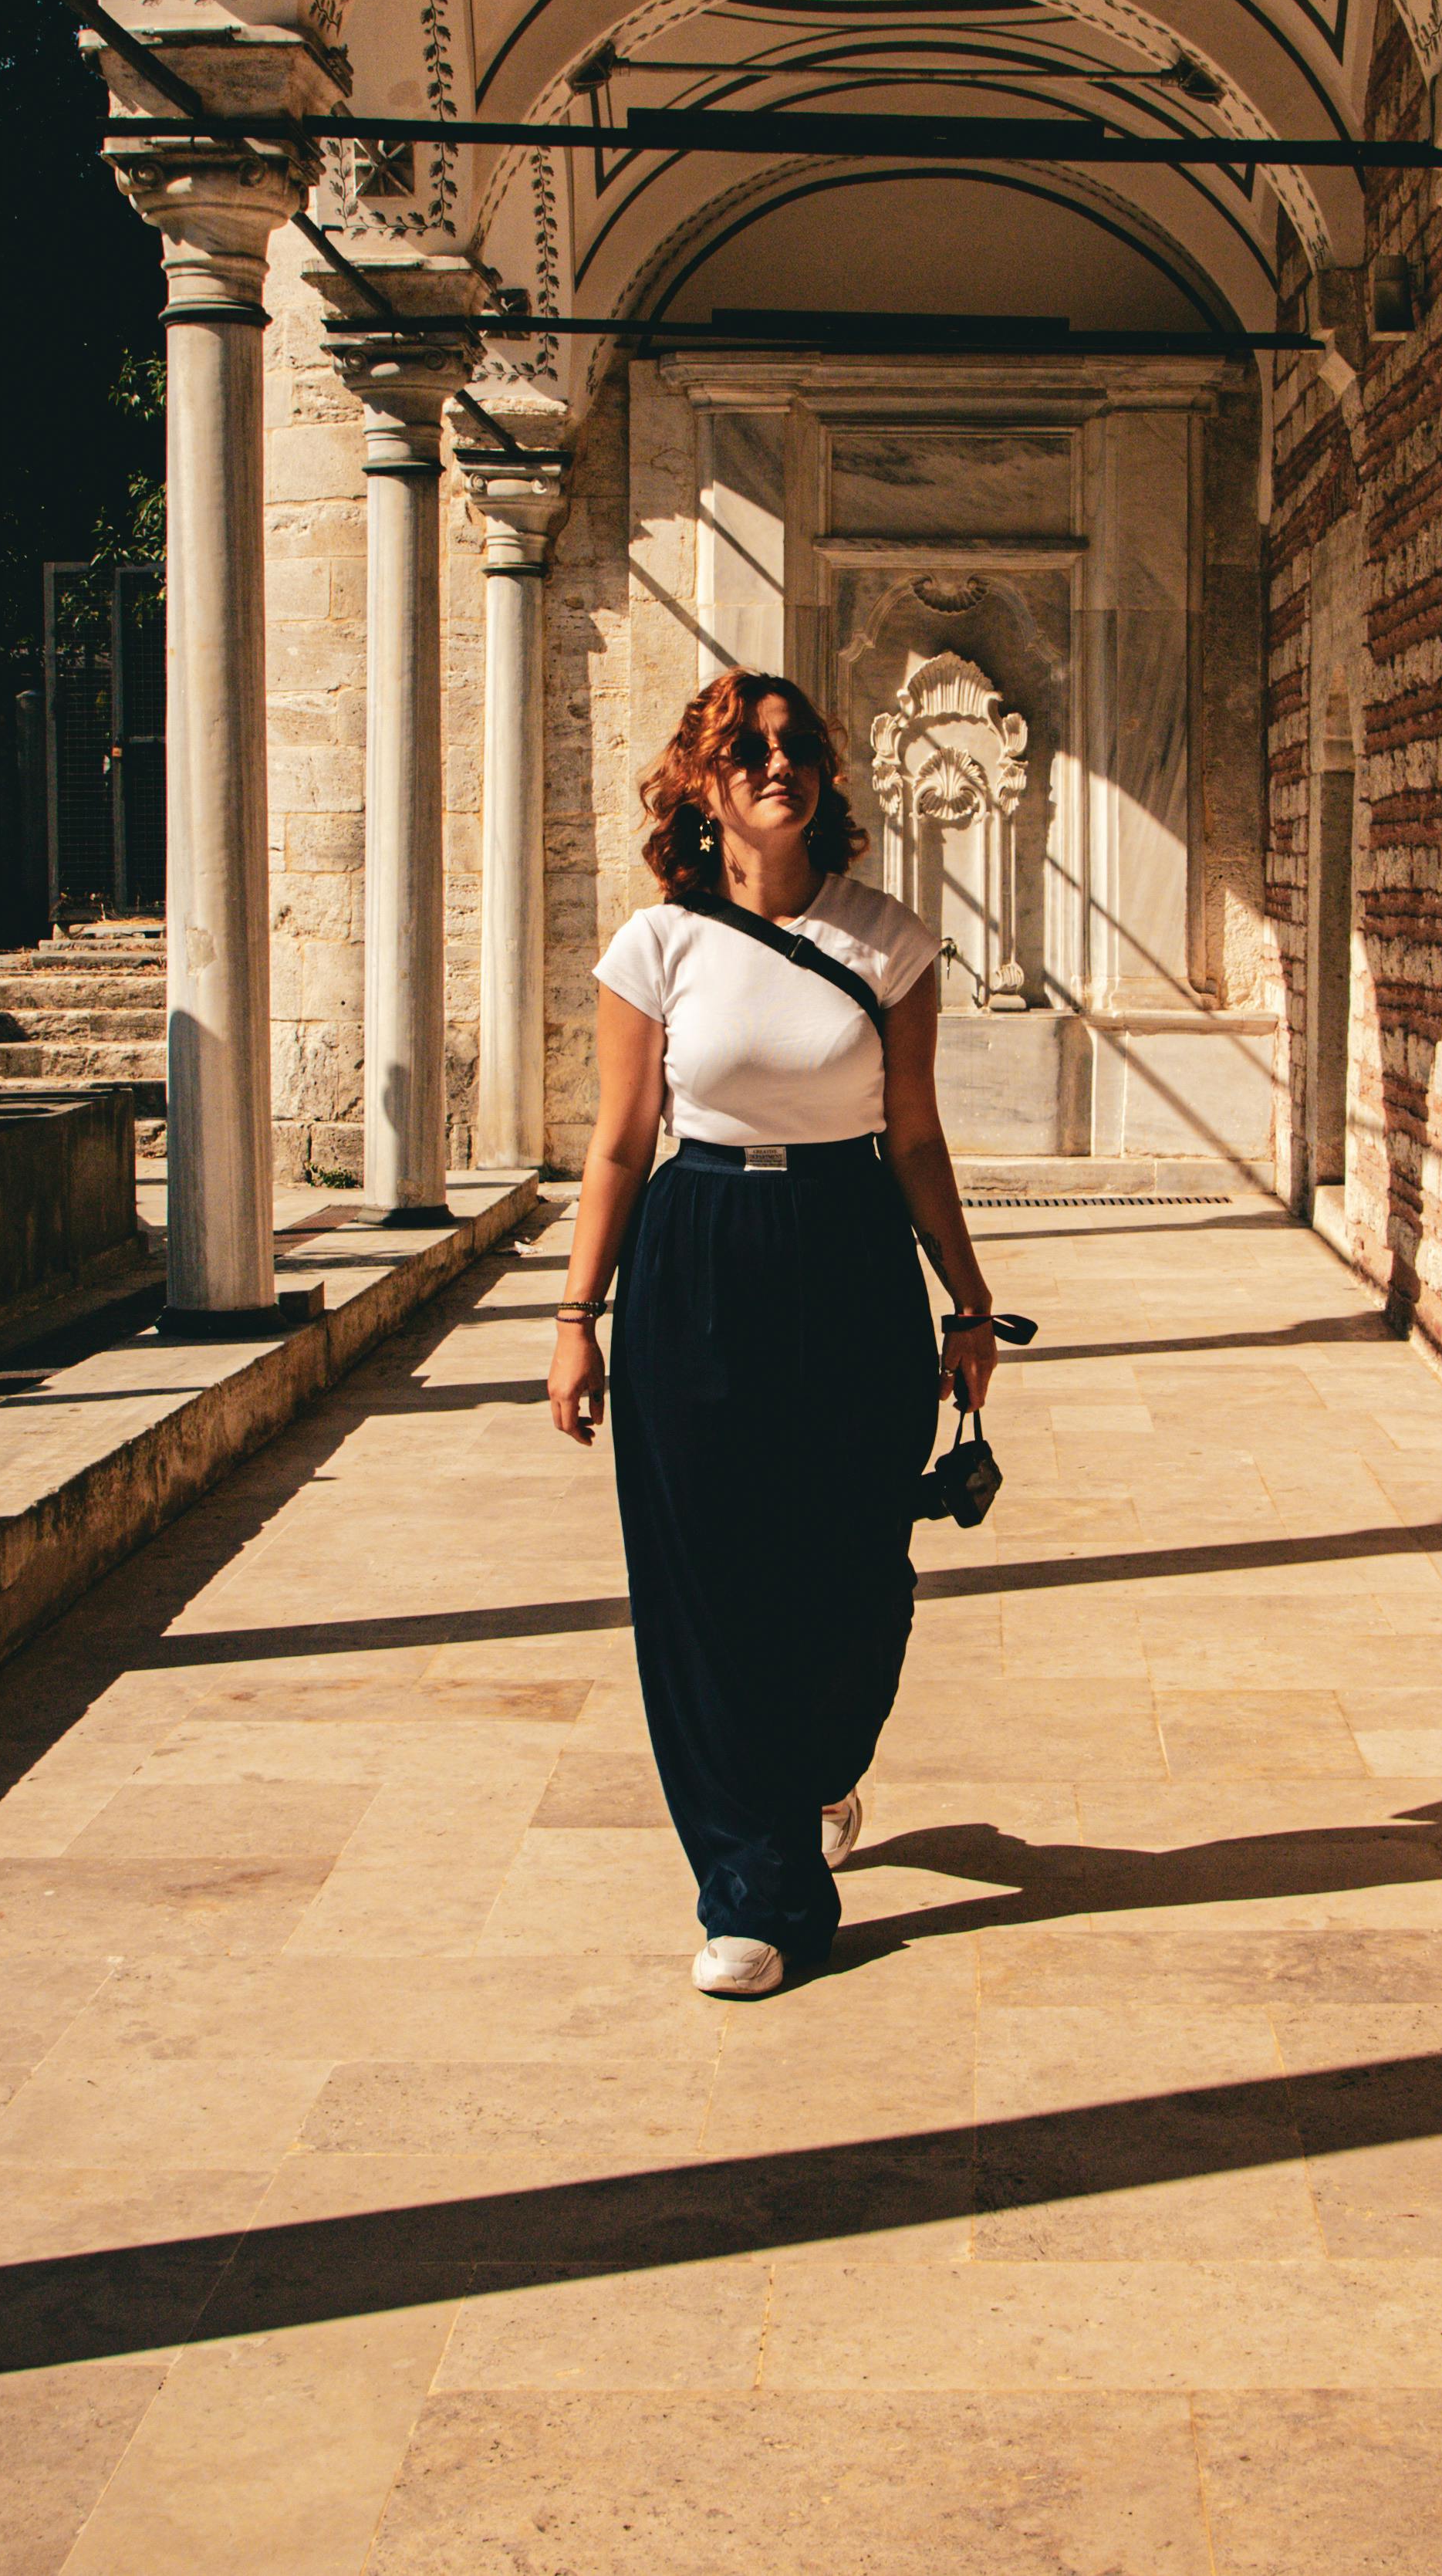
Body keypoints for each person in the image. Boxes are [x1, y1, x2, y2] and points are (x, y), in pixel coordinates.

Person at [545, 667, 1001, 1995]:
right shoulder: (655, 947)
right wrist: (577, 1319)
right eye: (743, 748)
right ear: (701, 782)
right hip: (693, 1255)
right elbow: (621, 1143)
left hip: (850, 1254)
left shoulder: (891, 941)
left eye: (796, 745)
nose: (773, 763)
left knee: (854, 1569)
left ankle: (818, 1773)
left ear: (827, 778)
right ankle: (752, 1885)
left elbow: (913, 1137)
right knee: (705, 1578)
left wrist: (969, 1303)